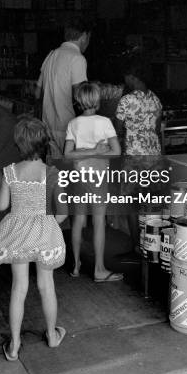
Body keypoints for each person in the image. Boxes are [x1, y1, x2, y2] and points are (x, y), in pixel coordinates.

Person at [0, 117, 67, 360]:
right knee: (46, 286)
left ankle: (14, 345)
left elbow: (1, 205)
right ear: (43, 142)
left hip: (18, 234)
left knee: (18, 288)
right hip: (44, 234)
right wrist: (48, 223)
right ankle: (52, 335)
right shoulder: (51, 172)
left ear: (19, 144)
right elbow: (62, 213)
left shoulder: (10, 171)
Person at [64, 82, 123, 282]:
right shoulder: (105, 122)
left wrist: (85, 152)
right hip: (98, 177)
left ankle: (76, 265)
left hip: (79, 175)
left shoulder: (73, 124)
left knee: (78, 220)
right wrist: (98, 151)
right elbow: (116, 151)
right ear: (97, 100)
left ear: (78, 102)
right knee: (98, 222)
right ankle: (99, 270)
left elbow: (67, 154)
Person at [115, 59, 163, 260]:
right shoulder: (156, 100)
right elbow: (157, 130)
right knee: (151, 205)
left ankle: (136, 246)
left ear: (133, 77)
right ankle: (153, 247)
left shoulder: (126, 101)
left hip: (133, 158)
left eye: (127, 76)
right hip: (154, 157)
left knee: (130, 204)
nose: (125, 79)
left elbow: (117, 132)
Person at [35, 20, 90, 157]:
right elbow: (82, 98)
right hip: (67, 127)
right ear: (84, 36)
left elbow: (37, 93)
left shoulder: (51, 55)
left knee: (54, 172)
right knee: (71, 173)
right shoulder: (77, 58)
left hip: (47, 126)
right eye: (89, 38)